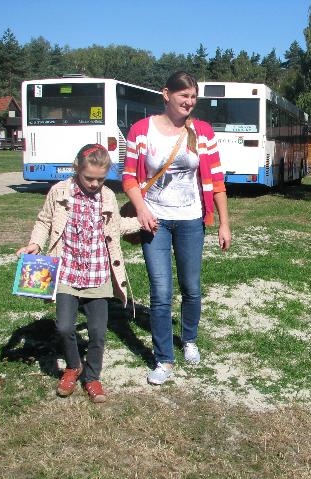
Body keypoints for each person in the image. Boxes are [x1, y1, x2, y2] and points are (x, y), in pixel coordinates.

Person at [122, 71, 232, 386]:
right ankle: (164, 359)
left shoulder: (203, 132)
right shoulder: (141, 130)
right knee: (160, 291)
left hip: (191, 219)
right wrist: (142, 209)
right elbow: (129, 177)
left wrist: (224, 223)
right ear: (166, 94)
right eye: (184, 96)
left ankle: (190, 339)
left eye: (193, 97)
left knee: (191, 287)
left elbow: (217, 181)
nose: (189, 102)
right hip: (154, 220)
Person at [16, 144, 142, 403]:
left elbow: (116, 226)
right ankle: (74, 366)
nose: (95, 184)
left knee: (97, 332)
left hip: (98, 273)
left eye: (101, 179)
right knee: (64, 327)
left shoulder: (107, 196)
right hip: (67, 271)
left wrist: (143, 222)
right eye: (89, 178)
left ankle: (92, 376)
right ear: (77, 169)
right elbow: (45, 221)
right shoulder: (59, 191)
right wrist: (35, 243)